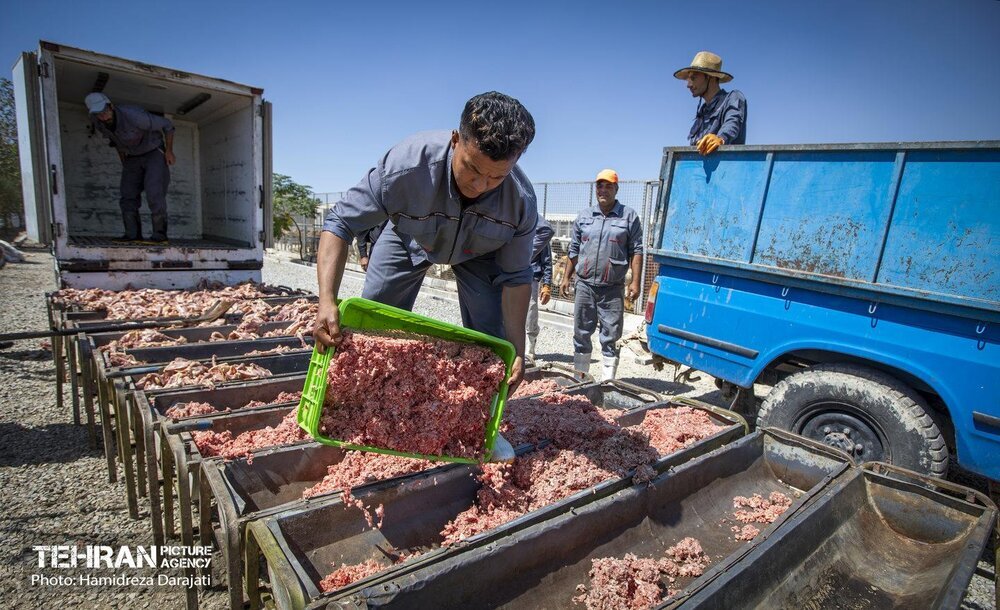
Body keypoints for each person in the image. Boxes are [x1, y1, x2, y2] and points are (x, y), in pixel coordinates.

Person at [314, 91, 537, 395]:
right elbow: (341, 222)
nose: (480, 185)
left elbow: (515, 276)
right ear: (456, 140)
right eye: (471, 168)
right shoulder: (406, 168)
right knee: (375, 324)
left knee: (492, 346)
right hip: (411, 236)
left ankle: (474, 414)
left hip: (480, 254)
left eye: (496, 177)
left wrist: (517, 349)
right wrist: (326, 299)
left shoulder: (520, 203)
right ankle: (366, 400)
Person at [560, 169, 643, 381]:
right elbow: (574, 249)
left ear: (616, 189)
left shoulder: (629, 216)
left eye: (608, 186)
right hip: (585, 286)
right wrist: (566, 277)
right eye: (599, 186)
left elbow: (637, 250)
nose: (603, 190)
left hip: (612, 288)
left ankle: (608, 382)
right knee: (581, 333)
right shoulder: (585, 216)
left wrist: (635, 282)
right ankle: (580, 378)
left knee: (611, 336)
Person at [85, 92, 175, 243]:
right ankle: (132, 235)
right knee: (127, 194)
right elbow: (116, 142)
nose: (103, 116)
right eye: (98, 114)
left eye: (105, 111)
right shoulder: (97, 121)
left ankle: (160, 236)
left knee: (154, 192)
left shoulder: (134, 115)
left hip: (153, 151)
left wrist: (169, 151)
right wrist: (124, 162)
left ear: (111, 106)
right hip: (132, 156)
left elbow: (168, 125)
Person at [674, 51, 747, 155]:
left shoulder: (733, 97)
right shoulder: (702, 112)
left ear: (710, 77)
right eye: (688, 79)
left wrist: (720, 138)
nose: (688, 85)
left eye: (693, 78)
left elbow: (732, 123)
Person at [526, 216, 554, 361]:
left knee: (530, 311)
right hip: (509, 275)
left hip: (531, 277)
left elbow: (547, 260)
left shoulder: (539, 231)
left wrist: (547, 284)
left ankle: (530, 347)